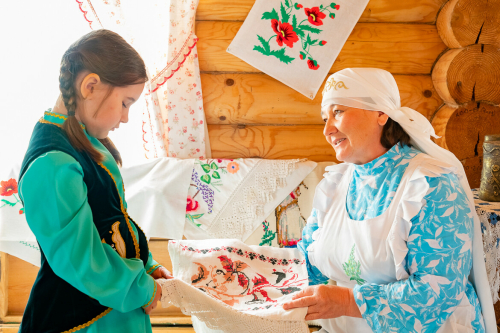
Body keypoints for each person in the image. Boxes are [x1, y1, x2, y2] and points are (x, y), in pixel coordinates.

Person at [283, 68, 495, 332]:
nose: (327, 130)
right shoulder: (334, 185)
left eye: (338, 112)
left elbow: (440, 291)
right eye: (324, 118)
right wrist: (239, 266)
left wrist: (350, 302)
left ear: (381, 114)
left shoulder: (431, 184)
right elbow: (306, 265)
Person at [17, 29, 172, 333]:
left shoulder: (85, 138)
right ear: (91, 86)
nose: (126, 117)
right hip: (79, 319)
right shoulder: (51, 163)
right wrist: (140, 288)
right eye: (126, 102)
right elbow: (80, 258)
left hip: (114, 306)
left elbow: (111, 219)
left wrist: (147, 266)